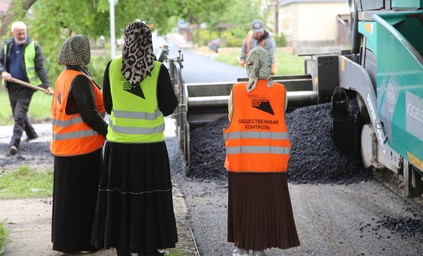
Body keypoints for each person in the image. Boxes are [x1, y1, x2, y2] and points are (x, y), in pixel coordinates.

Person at [92, 21, 178, 256]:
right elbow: (170, 107)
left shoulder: (111, 67)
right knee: (148, 200)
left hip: (118, 148)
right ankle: (147, 248)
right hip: (150, 149)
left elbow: (108, 107)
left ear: (126, 40)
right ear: (148, 42)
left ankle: (122, 248)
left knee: (121, 199)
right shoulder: (158, 70)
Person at [224, 47, 300, 256]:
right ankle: (259, 250)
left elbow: (231, 116)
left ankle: (241, 248)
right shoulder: (280, 91)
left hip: (241, 164)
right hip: (271, 164)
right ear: (269, 66)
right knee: (263, 207)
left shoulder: (237, 91)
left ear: (249, 65)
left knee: (243, 206)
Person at [50, 34, 108, 254]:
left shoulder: (64, 77)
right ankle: (85, 243)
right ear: (83, 53)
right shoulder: (79, 79)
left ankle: (67, 243)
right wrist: (110, 133)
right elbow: (90, 115)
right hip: (83, 149)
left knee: (68, 201)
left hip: (65, 149)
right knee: (85, 198)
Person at [0, 21, 53, 156]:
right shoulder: (7, 46)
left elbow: (40, 67)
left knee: (18, 115)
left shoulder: (33, 47)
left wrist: (46, 85)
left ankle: (14, 144)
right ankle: (32, 134)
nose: (22, 36)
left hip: (27, 87)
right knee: (18, 114)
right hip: (12, 86)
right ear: (13, 34)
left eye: (24, 33)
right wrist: (3, 72)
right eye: (19, 33)